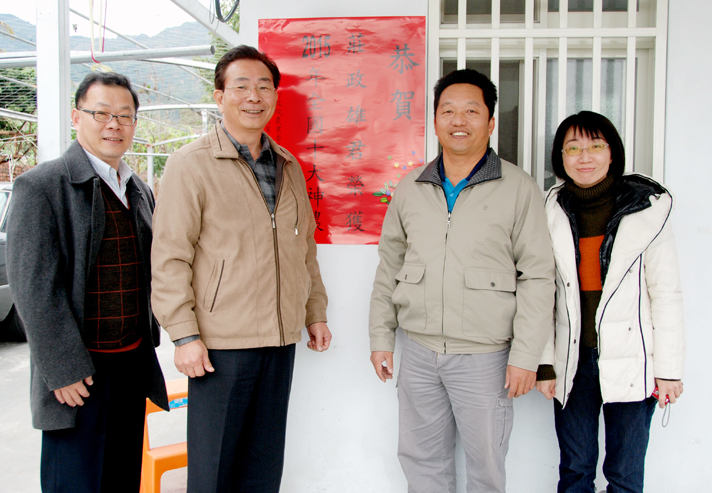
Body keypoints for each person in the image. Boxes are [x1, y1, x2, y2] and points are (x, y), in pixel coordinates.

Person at [150, 45, 331, 493]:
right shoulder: (190, 164)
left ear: (275, 95)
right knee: (215, 468)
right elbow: (170, 255)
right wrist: (185, 335)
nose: (254, 96)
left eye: (264, 86)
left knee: (263, 463)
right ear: (220, 96)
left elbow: (302, 247)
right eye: (241, 86)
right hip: (219, 343)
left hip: (279, 337)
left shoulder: (287, 165)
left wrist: (315, 312)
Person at [368, 68, 555, 492]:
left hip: (486, 357)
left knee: (486, 465)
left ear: (490, 122)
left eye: (471, 111)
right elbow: (389, 267)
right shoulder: (411, 187)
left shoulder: (518, 187)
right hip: (418, 352)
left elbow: (538, 276)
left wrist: (526, 355)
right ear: (434, 121)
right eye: (448, 111)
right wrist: (381, 337)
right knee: (421, 460)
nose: (458, 120)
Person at [6, 72, 168, 493]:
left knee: (121, 474)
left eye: (125, 115)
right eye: (101, 113)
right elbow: (34, 288)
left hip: (131, 363)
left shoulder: (138, 189)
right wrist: (60, 369)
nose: (114, 124)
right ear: (77, 117)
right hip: (78, 372)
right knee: (75, 480)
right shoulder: (42, 186)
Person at [536, 110, 685, 493]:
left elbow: (665, 293)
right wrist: (544, 363)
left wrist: (668, 369)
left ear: (612, 153)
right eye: (573, 148)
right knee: (575, 470)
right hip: (574, 361)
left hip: (634, 359)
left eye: (595, 146)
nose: (584, 157)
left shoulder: (645, 208)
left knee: (625, 475)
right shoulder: (549, 208)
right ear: (561, 158)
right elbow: (542, 292)